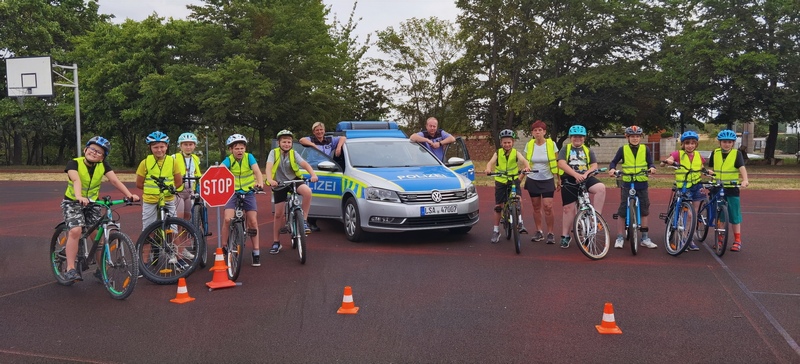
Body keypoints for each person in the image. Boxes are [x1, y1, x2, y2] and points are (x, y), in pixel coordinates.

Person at [60, 136, 140, 282]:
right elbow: (76, 180)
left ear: (103, 158)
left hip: (92, 203)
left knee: (98, 236)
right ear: (85, 149)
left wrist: (129, 195)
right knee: (75, 230)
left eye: (99, 152)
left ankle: (100, 268)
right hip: (73, 201)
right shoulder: (74, 163)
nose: (94, 153)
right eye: (92, 149)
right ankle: (70, 268)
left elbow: (114, 180)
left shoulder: (103, 166)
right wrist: (79, 196)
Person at [265, 130, 319, 254]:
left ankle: (304, 221)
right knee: (278, 214)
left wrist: (313, 174)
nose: (286, 144)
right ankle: (276, 242)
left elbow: (304, 164)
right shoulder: (273, 153)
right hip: (279, 182)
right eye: (284, 141)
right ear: (279, 143)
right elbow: (268, 166)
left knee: (307, 192)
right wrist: (269, 179)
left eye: (289, 142)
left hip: (294, 180)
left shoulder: (294, 154)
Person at [608, 125, 657, 249]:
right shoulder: (622, 149)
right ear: (627, 137)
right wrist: (612, 169)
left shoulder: (645, 149)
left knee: (644, 209)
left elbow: (650, 162)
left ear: (641, 137)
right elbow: (613, 162)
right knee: (623, 209)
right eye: (632, 136)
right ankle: (620, 237)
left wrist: (652, 168)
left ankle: (645, 238)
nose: (635, 139)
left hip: (641, 183)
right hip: (627, 183)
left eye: (637, 136)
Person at [557, 125, 606, 249]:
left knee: (601, 188)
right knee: (568, 209)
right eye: (575, 137)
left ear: (584, 138)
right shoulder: (565, 148)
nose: (577, 139)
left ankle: (597, 218)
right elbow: (561, 163)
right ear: (570, 138)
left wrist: (585, 174)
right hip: (569, 179)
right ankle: (565, 236)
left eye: (580, 137)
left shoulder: (588, 150)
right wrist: (574, 174)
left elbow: (594, 165)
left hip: (585, 177)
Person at [220, 133, 265, 266]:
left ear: (245, 149)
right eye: (236, 148)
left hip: (248, 192)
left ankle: (256, 252)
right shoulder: (228, 160)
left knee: (253, 221)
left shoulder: (249, 157)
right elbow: (220, 171)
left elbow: (257, 171)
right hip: (231, 193)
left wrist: (260, 183)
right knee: (228, 219)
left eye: (242, 148)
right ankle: (224, 247)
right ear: (231, 150)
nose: (239, 151)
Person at [660, 130, 706, 251]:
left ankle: (688, 238)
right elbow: (665, 162)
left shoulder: (698, 156)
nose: (690, 145)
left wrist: (707, 171)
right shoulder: (678, 154)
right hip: (684, 186)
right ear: (683, 144)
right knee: (688, 213)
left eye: (692, 143)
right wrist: (666, 162)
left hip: (697, 185)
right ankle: (680, 236)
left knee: (694, 214)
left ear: (696, 144)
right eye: (687, 143)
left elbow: (701, 167)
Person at [484, 129, 531, 243]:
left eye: (509, 142)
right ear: (501, 143)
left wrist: (527, 167)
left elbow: (524, 160)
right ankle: (496, 230)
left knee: (518, 199)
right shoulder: (498, 153)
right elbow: (490, 162)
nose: (507, 144)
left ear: (513, 142)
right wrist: (489, 169)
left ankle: (520, 222)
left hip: (513, 179)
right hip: (501, 180)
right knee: (498, 206)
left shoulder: (516, 152)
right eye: (504, 142)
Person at [706, 129, 749, 252]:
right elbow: (713, 169)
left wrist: (745, 180)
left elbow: (742, 168)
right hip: (717, 187)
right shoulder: (715, 153)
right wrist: (710, 175)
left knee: (734, 215)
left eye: (730, 142)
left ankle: (737, 240)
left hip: (732, 188)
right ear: (720, 142)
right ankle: (720, 238)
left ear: (733, 143)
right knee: (720, 215)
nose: (727, 144)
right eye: (724, 141)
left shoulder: (737, 153)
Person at [298, 121, 345, 231]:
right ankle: (310, 221)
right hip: (313, 169)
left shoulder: (329, 140)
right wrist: (313, 145)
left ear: (324, 130)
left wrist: (338, 147)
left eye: (321, 129)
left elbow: (342, 138)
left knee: (321, 196)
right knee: (312, 196)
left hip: (326, 168)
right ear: (313, 132)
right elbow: (301, 140)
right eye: (317, 130)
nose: (319, 132)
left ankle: (318, 217)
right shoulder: (311, 139)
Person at [522, 120, 560, 244]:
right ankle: (539, 231)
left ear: (544, 132)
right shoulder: (529, 145)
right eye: (535, 130)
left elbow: (557, 161)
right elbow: (526, 162)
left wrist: (559, 178)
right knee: (536, 207)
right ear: (532, 133)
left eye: (540, 130)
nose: (537, 132)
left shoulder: (551, 144)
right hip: (533, 179)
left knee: (548, 206)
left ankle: (550, 232)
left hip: (547, 179)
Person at [173, 132, 202, 221]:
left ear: (194, 146)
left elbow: (197, 173)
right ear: (180, 146)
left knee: (187, 219)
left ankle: (185, 235)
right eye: (185, 144)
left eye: (191, 144)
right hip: (179, 192)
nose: (188, 147)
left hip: (190, 192)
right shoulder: (174, 157)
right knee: (179, 218)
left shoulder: (196, 159)